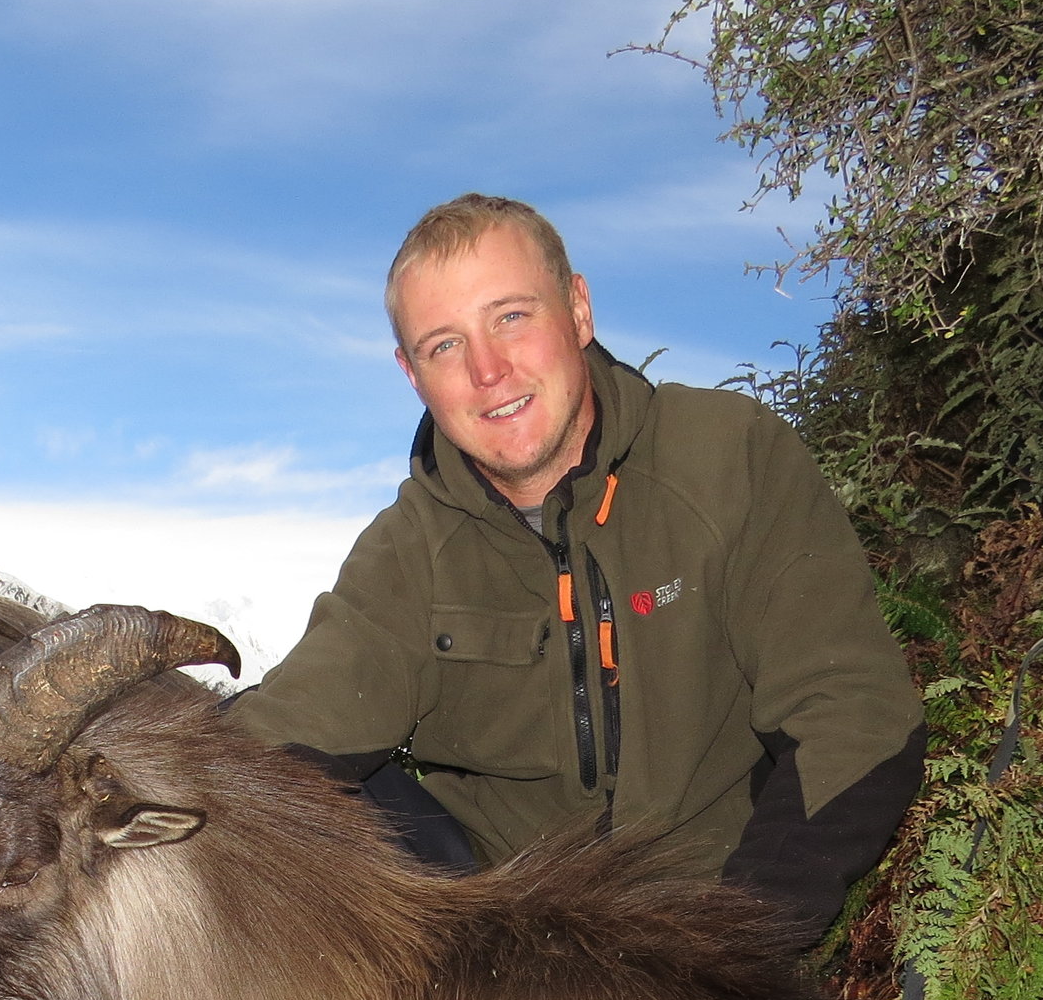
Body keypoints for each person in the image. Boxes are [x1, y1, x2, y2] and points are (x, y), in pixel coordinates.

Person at [227, 194, 925, 949]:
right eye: (444, 346)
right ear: (411, 374)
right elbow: (278, 737)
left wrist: (731, 951)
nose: (489, 371)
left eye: (512, 317)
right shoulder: (407, 553)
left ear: (579, 309)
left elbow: (854, 712)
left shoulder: (730, 459)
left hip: (712, 931)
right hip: (512, 956)